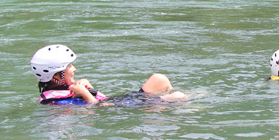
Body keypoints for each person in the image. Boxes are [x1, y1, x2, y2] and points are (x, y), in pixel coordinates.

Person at [30, 44, 187, 105]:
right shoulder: (55, 102)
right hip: (122, 108)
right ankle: (183, 105)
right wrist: (85, 93)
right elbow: (96, 110)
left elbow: (103, 98)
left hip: (119, 100)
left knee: (159, 79)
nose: (75, 69)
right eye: (70, 66)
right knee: (179, 96)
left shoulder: (66, 89)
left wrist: (88, 87)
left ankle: (167, 104)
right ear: (57, 76)